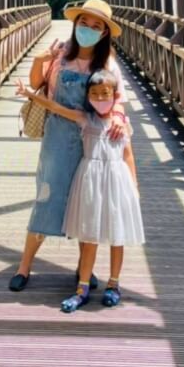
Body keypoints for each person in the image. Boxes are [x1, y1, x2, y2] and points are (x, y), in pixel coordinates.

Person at [9, 0, 131, 292]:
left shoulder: (107, 64)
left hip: (90, 142)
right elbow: (37, 83)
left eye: (95, 26)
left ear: (103, 33)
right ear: (75, 24)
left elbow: (117, 103)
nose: (87, 29)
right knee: (46, 198)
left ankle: (83, 269)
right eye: (83, 23)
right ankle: (24, 266)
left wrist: (116, 118)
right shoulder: (61, 54)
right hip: (56, 138)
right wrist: (41, 59)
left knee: (85, 204)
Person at [16, 69, 143, 312]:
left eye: (105, 94)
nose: (99, 99)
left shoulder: (121, 125)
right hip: (91, 183)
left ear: (115, 96)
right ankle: (82, 287)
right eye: (94, 95)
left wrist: (134, 188)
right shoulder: (86, 118)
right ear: (88, 97)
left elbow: (128, 156)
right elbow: (57, 108)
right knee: (89, 234)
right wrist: (30, 94)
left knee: (118, 236)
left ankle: (113, 284)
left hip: (116, 182)